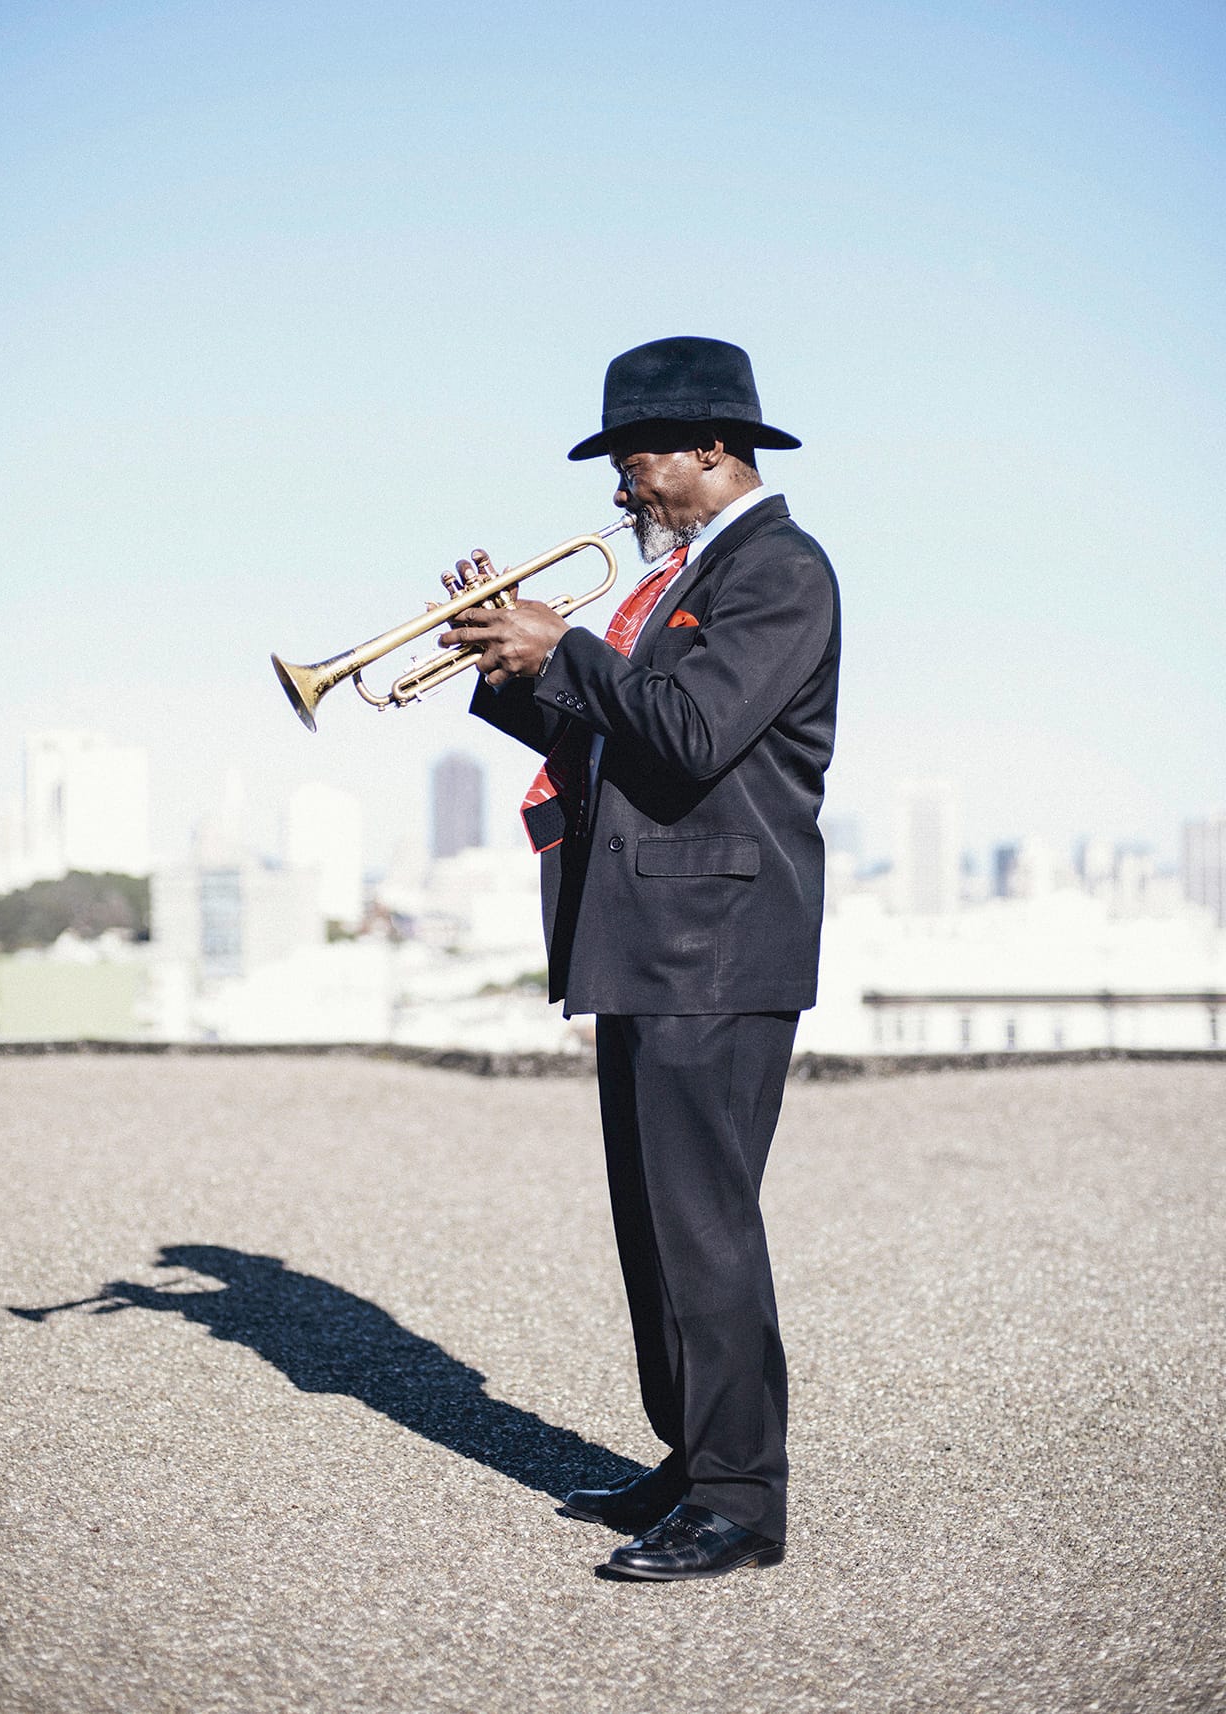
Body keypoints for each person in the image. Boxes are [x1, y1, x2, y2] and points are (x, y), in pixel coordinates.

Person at [440, 335, 840, 1581]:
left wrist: (562, 643)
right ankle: (689, 1456)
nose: (620, 481)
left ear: (714, 447)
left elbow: (692, 728)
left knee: (704, 1227)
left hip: (716, 945)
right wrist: (502, 661)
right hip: (644, 940)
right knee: (652, 1228)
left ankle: (739, 1499)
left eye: (636, 454)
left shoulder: (778, 570)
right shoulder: (673, 582)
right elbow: (617, 739)